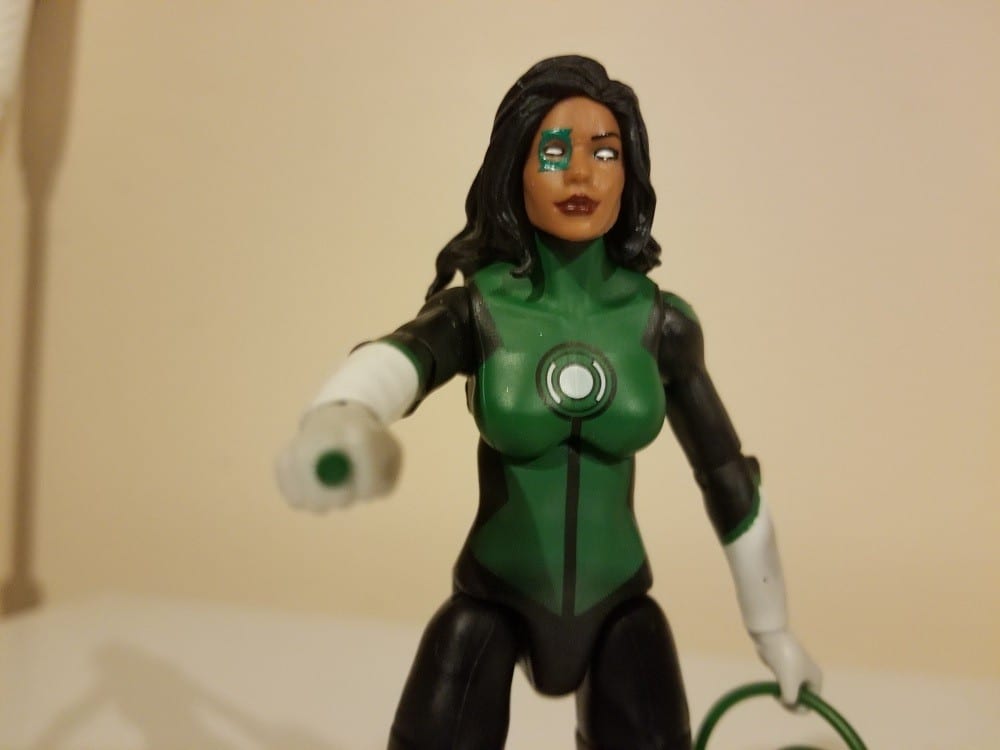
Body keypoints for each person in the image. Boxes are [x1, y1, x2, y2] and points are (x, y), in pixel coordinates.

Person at [277, 55, 821, 750]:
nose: (581, 175)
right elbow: (401, 357)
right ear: (517, 170)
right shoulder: (479, 311)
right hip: (493, 601)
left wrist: (772, 630)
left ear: (630, 172)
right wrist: (341, 416)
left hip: (620, 607)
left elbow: (727, 477)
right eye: (555, 153)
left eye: (605, 153)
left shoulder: (661, 324)